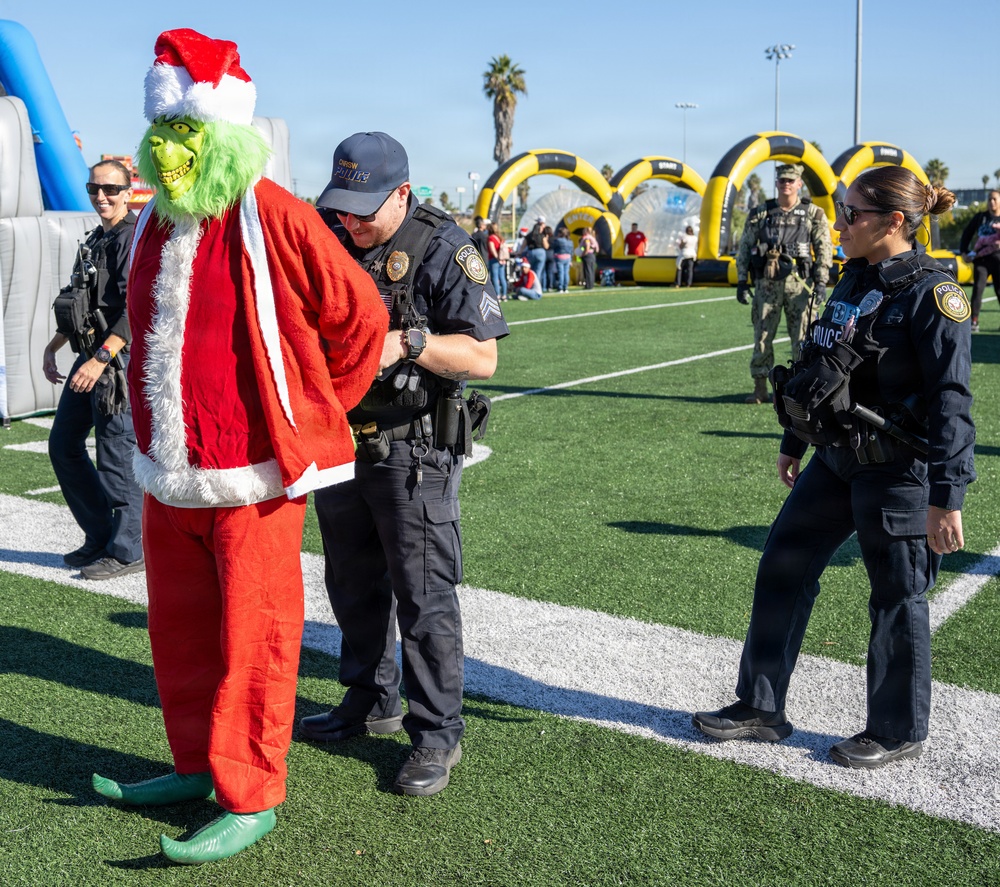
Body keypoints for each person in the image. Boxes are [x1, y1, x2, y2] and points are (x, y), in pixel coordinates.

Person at [90, 29, 387, 864]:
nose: (171, 152)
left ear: (221, 134)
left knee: (257, 640)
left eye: (187, 135)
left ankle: (251, 791)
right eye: (165, 136)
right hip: (168, 474)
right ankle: (195, 766)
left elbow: (359, 317)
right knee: (181, 633)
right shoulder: (153, 225)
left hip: (254, 478)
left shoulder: (275, 212)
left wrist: (309, 411)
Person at [693, 167, 975, 770]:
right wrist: (795, 439)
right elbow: (822, 365)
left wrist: (947, 496)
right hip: (836, 458)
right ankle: (761, 707)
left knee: (897, 597)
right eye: (842, 212)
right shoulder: (854, 277)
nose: (840, 224)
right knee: (782, 566)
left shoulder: (935, 294)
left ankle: (896, 730)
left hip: (897, 470)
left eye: (853, 215)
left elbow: (952, 399)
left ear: (895, 221)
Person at [300, 131, 509, 798]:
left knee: (424, 596)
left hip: (412, 449)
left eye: (364, 208)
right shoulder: (332, 235)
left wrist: (411, 341)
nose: (351, 221)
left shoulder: (444, 246)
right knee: (352, 582)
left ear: (403, 194)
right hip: (341, 443)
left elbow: (484, 358)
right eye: (342, 205)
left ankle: (436, 734)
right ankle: (371, 697)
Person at [43, 160, 144, 580]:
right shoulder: (95, 240)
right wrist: (54, 346)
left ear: (127, 191)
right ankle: (102, 533)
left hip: (112, 365)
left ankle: (127, 550)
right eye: (93, 188)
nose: (101, 196)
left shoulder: (131, 240)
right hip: (87, 360)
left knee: (115, 457)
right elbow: (80, 302)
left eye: (110, 189)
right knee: (63, 445)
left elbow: (137, 307)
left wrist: (103, 357)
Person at [735, 163, 833, 404]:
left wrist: (821, 281)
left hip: (800, 285)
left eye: (791, 180)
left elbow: (824, 248)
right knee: (762, 335)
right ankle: (760, 389)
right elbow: (745, 247)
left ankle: (800, 389)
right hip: (767, 285)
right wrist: (740, 280)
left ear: (799, 183)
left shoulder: (813, 213)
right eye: (782, 180)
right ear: (776, 183)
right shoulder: (760, 213)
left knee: (803, 339)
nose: (786, 184)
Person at [959, 189, 1000, 332]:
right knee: (978, 290)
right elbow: (967, 234)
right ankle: (974, 321)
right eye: (989, 199)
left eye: (994, 199)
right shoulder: (980, 217)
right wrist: (964, 251)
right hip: (981, 261)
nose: (991, 202)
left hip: (998, 261)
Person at [487, 221, 509, 301]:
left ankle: (497, 295)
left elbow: (492, 250)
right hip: (502, 260)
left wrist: (497, 258)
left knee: (495, 278)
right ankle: (504, 294)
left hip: (494, 260)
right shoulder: (500, 238)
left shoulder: (491, 238)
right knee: (502, 278)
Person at [551, 225, 574, 293]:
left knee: (561, 273)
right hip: (568, 257)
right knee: (566, 273)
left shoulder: (558, 240)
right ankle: (565, 287)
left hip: (560, 257)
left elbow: (553, 247)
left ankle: (560, 287)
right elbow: (571, 251)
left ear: (561, 233)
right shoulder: (570, 241)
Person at [525, 215, 547, 284]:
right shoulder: (542, 235)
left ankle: (531, 284)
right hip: (540, 252)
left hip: (530, 252)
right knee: (539, 271)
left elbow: (523, 245)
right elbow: (546, 246)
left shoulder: (529, 235)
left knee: (531, 271)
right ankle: (537, 285)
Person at [543, 225, 557, 291]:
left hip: (545, 253)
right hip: (552, 254)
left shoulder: (544, 237)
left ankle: (543, 285)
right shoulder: (554, 238)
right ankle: (550, 285)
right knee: (550, 271)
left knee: (543, 271)